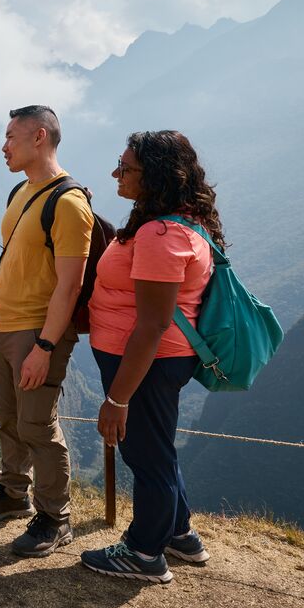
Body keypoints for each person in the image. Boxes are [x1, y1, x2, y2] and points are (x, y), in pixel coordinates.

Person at [80, 131, 217, 583]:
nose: (116, 173)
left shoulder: (162, 235)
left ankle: (143, 552)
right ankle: (179, 533)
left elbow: (153, 324)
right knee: (157, 448)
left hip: (144, 361)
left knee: (145, 456)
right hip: (151, 360)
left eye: (126, 168)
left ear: (155, 175)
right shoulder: (170, 223)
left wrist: (117, 400)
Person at [0, 105, 93, 558]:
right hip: (5, 326)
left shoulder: (70, 203)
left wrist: (44, 346)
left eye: (10, 138)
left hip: (38, 331)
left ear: (39, 137)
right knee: (8, 418)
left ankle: (55, 519)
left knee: (38, 424)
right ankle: (12, 493)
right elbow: (13, 264)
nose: (3, 146)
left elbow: (70, 284)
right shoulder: (20, 192)